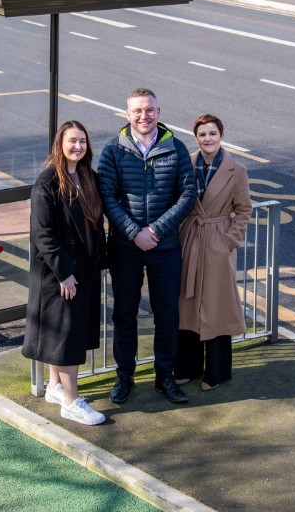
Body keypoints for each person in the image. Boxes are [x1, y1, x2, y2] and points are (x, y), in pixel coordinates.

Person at [98, 88, 196, 405]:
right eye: (138, 110)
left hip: (164, 247)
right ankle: (124, 377)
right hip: (125, 248)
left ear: (159, 112)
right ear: (127, 115)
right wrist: (133, 232)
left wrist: (154, 230)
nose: (144, 116)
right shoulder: (112, 151)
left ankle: (164, 378)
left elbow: (186, 197)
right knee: (124, 315)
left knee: (166, 315)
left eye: (150, 110)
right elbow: (107, 199)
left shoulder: (176, 149)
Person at [22, 121, 107, 426]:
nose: (77, 147)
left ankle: (56, 387)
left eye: (82, 141)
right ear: (60, 144)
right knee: (67, 336)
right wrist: (64, 273)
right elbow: (43, 234)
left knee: (66, 334)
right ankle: (71, 401)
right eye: (72, 141)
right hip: (59, 274)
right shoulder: (47, 182)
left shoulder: (88, 177)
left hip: (83, 269)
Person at [175, 114, 250, 391]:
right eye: (202, 134)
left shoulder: (236, 170)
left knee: (216, 307)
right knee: (187, 303)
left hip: (218, 241)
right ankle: (187, 367)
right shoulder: (186, 164)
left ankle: (216, 371)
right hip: (190, 239)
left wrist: (229, 241)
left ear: (221, 135)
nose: (208, 139)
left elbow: (243, 209)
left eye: (212, 134)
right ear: (196, 138)